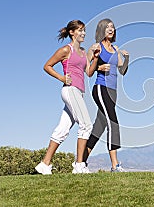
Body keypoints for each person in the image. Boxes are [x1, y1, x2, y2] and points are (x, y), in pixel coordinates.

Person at [35, 20, 97, 175]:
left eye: (84, 31)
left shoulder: (83, 52)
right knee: (86, 125)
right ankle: (79, 164)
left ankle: (44, 163)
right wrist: (61, 78)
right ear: (72, 32)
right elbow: (47, 66)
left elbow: (88, 73)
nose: (83, 33)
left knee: (62, 130)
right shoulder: (65, 50)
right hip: (70, 90)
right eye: (80, 30)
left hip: (79, 92)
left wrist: (95, 58)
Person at [83, 18, 129, 172]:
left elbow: (122, 71)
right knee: (113, 123)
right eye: (107, 27)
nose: (111, 29)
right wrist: (98, 66)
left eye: (113, 27)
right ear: (101, 29)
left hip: (113, 92)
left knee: (98, 128)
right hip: (101, 89)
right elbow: (88, 71)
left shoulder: (116, 49)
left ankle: (80, 162)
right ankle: (115, 165)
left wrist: (127, 58)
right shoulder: (96, 47)